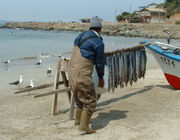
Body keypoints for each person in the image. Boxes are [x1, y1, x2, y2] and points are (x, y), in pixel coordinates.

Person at [68, 16, 105, 134]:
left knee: (80, 98)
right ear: (100, 29)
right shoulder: (98, 42)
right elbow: (100, 63)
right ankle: (84, 127)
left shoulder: (79, 36)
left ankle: (78, 121)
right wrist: (101, 77)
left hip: (71, 71)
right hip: (81, 74)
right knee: (90, 100)